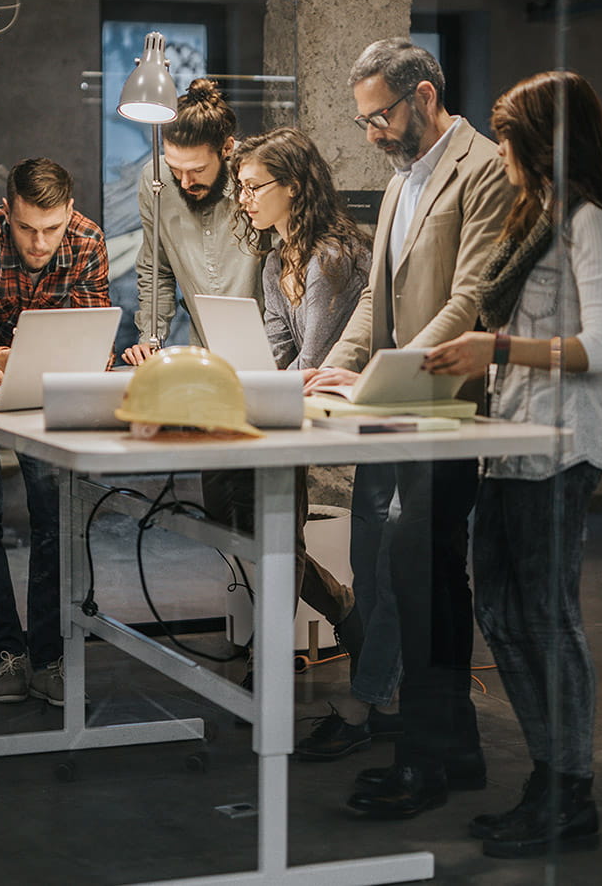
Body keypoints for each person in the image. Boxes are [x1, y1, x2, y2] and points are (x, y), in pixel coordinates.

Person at [423, 70, 602, 857]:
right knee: (504, 615)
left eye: (509, 134)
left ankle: (569, 790)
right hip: (509, 448)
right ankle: (549, 776)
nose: (500, 148)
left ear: (543, 139)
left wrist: (498, 346)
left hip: (562, 448)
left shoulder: (591, 224)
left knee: (550, 619)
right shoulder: (532, 218)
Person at [304, 38, 517, 819]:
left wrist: (381, 374)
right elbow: (376, 299)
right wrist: (335, 364)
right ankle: (451, 751)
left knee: (422, 574)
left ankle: (425, 758)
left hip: (450, 403)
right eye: (364, 121)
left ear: (424, 95)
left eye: (380, 116)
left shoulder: (486, 167)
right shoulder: (400, 182)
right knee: (419, 574)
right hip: (396, 405)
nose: (372, 135)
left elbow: (471, 298)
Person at [229, 126, 379, 758]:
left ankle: (272, 665)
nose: (243, 199)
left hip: (349, 426)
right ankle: (336, 611)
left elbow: (313, 360)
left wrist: (260, 383)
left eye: (253, 186)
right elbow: (277, 355)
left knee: (274, 530)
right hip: (302, 414)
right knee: (254, 523)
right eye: (240, 188)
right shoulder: (273, 261)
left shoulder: (330, 257)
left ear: (292, 187)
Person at [0, 157, 111, 706]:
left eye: (51, 229)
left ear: (69, 212)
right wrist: (6, 356)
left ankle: (50, 655)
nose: (38, 242)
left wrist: (17, 357)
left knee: (53, 517)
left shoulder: (87, 240)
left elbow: (92, 340)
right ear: (7, 212)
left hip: (46, 392)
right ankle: (8, 654)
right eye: (26, 228)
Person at [120, 78, 258, 366]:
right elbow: (156, 269)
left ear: (227, 148)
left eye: (197, 169)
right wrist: (150, 338)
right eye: (175, 169)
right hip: (205, 352)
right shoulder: (155, 180)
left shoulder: (258, 177)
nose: (185, 182)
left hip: (271, 349)